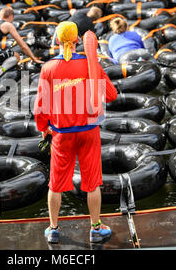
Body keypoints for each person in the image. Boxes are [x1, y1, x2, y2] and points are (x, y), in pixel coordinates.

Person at [34, 21, 118, 244]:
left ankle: (53, 229)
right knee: (92, 182)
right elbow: (111, 95)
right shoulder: (90, 64)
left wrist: (44, 128)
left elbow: (41, 106)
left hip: (61, 133)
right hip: (89, 131)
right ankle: (96, 228)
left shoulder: (48, 68)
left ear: (57, 41)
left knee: (56, 183)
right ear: (78, 40)